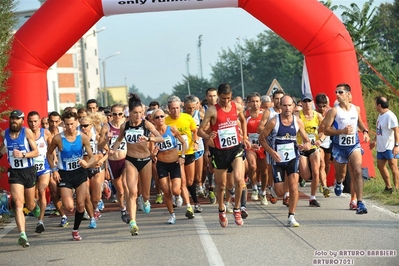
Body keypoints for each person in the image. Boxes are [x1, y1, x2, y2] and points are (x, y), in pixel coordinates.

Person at [109, 93, 164, 236]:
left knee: (145, 194)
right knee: (132, 192)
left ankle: (145, 201)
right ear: (130, 113)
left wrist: (149, 138)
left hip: (145, 160)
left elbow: (161, 138)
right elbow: (119, 140)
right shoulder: (124, 126)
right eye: (135, 113)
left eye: (141, 112)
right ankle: (133, 222)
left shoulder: (146, 124)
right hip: (130, 160)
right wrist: (112, 150)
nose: (138, 115)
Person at [198, 84, 251, 227]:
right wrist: (208, 136)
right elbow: (199, 131)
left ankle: (237, 209)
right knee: (221, 186)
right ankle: (221, 210)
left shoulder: (237, 106)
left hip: (236, 148)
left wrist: (245, 137)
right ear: (219, 96)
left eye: (228, 98)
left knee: (239, 180)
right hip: (220, 152)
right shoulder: (212, 110)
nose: (226, 101)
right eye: (223, 99)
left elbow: (243, 120)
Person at [259, 96, 311, 227]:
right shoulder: (273, 122)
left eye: (289, 105)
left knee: (294, 186)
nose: (287, 108)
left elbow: (307, 140)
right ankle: (274, 189)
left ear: (293, 106)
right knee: (280, 192)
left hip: (293, 157)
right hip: (277, 160)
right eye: (284, 106)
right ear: (280, 106)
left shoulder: (298, 122)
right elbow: (261, 138)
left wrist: (306, 145)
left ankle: (291, 216)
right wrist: (271, 152)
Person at [46, 110, 98, 241]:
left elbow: (92, 157)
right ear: (63, 124)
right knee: (69, 206)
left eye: (72, 124)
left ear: (77, 122)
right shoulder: (58, 138)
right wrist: (54, 170)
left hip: (80, 173)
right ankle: (70, 210)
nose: (70, 127)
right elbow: (48, 154)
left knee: (81, 205)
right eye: (67, 124)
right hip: (65, 174)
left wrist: (86, 163)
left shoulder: (83, 137)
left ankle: (75, 230)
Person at [320, 83, 370, 215]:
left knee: (357, 171)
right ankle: (339, 182)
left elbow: (359, 121)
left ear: (348, 94)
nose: (337, 94)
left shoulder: (356, 109)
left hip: (354, 145)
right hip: (339, 148)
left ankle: (360, 203)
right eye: (336, 92)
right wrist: (341, 131)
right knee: (341, 174)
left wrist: (365, 131)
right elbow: (325, 129)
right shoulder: (334, 111)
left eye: (340, 92)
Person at [1, 110, 40, 247]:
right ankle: (22, 234)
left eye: (17, 119)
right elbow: (4, 148)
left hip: (28, 171)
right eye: (12, 118)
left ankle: (34, 206)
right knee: (18, 203)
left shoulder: (27, 132)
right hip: (15, 173)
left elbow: (36, 152)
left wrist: (23, 155)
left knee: (29, 205)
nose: (14, 121)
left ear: (22, 121)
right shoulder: (4, 134)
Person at [166, 95, 202, 216]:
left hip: (189, 152)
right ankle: (189, 203)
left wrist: (196, 142)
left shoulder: (187, 117)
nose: (175, 111)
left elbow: (195, 130)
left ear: (180, 107)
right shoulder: (165, 121)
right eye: (173, 108)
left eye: (177, 108)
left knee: (190, 181)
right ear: (168, 109)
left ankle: (191, 200)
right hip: (175, 155)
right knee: (183, 180)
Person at [151, 108, 187, 224]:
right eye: (157, 117)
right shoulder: (153, 134)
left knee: (176, 190)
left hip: (174, 163)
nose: (160, 119)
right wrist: (154, 154)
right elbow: (151, 152)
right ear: (153, 120)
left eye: (162, 116)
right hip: (161, 165)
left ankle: (177, 196)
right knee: (166, 191)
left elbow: (184, 143)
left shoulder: (171, 129)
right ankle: (172, 214)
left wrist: (182, 156)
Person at [296, 93, 328, 207]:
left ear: (312, 102)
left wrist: (321, 139)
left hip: (314, 147)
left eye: (309, 101)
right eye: (304, 101)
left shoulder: (317, 116)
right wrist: (297, 143)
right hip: (302, 147)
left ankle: (312, 198)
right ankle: (302, 177)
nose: (307, 104)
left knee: (316, 172)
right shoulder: (297, 115)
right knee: (306, 175)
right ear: (302, 103)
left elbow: (325, 130)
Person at [27, 111, 53, 233]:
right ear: (27, 122)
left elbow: (52, 148)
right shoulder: (24, 134)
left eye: (35, 121)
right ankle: (35, 208)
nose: (33, 124)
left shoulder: (46, 133)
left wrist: (55, 160)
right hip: (29, 169)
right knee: (31, 200)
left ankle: (40, 221)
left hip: (44, 167)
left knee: (42, 191)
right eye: (31, 121)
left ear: (39, 121)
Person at [369, 96, 399, 193]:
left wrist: (396, 145)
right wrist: (374, 141)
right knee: (380, 166)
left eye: (375, 104)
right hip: (381, 146)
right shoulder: (380, 115)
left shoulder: (390, 116)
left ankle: (397, 189)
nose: (374, 106)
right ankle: (388, 187)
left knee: (393, 166)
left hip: (390, 146)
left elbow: (396, 131)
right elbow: (379, 130)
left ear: (379, 105)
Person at [106, 104, 129, 223]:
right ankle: (123, 209)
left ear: (123, 114)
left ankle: (130, 209)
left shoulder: (127, 126)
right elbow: (100, 146)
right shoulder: (106, 127)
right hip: (112, 161)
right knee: (120, 191)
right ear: (111, 114)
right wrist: (106, 140)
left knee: (126, 184)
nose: (117, 116)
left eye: (119, 114)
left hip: (125, 159)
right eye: (114, 114)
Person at [47, 111, 69, 227]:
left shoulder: (64, 132)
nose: (54, 124)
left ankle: (81, 209)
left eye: (56, 121)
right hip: (51, 166)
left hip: (65, 165)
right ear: (48, 121)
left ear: (60, 121)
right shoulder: (45, 133)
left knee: (68, 192)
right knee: (54, 191)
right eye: (52, 121)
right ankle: (63, 216)